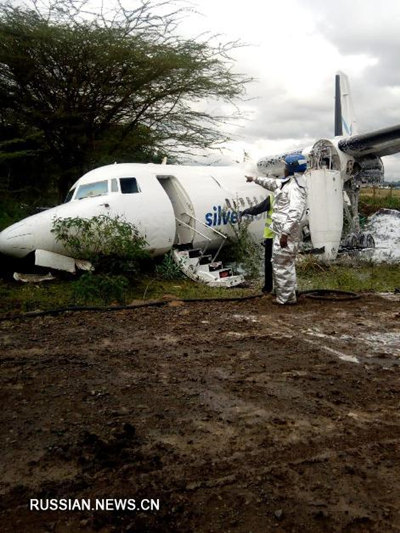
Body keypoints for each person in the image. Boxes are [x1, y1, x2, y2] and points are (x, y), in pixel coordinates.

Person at [245, 154, 307, 305]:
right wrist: (254, 179)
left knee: (282, 264)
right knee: (285, 262)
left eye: (286, 166)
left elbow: (295, 213)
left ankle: (286, 298)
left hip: (287, 232)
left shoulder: (295, 189)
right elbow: (271, 183)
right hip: (282, 231)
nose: (284, 168)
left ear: (291, 169)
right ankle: (290, 292)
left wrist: (285, 233)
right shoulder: (287, 183)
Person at [240, 196, 274, 293]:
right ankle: (286, 288)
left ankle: (268, 287)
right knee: (285, 263)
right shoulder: (292, 196)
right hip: (285, 236)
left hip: (271, 236)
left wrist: (245, 211)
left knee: (269, 262)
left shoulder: (273, 197)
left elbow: (257, 209)